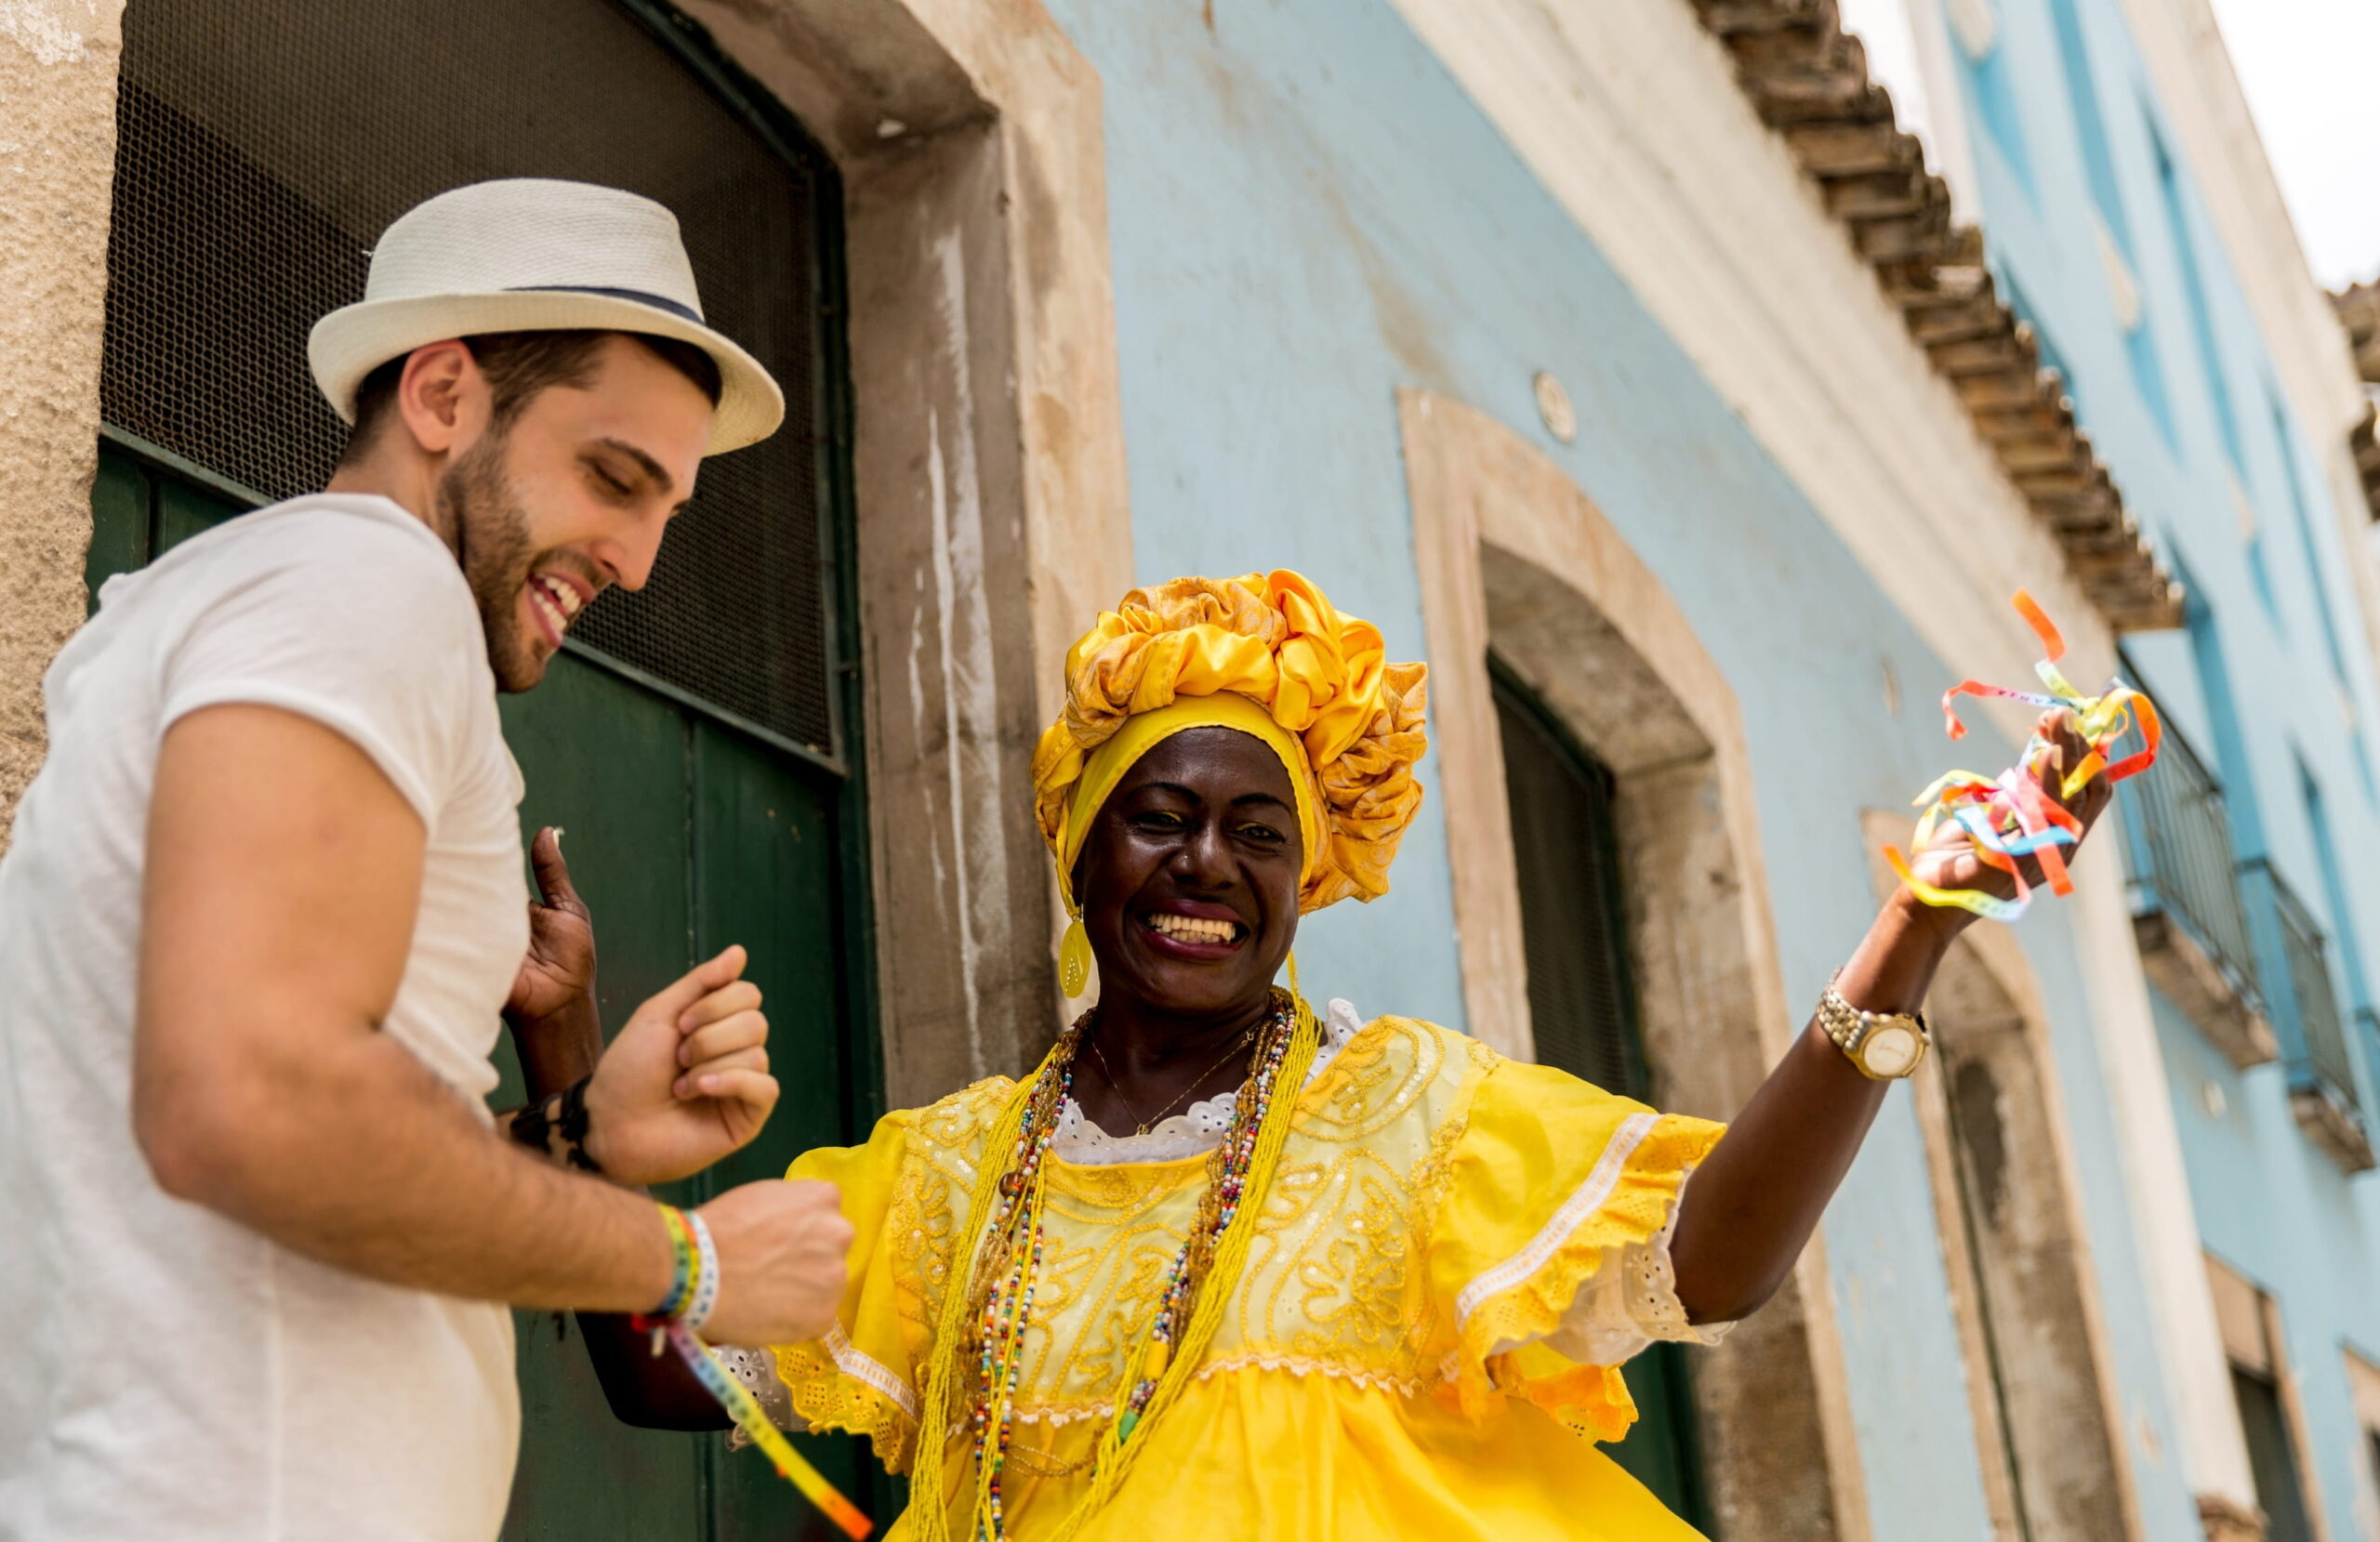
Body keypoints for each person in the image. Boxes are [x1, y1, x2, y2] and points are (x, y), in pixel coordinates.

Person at [588, 569, 2115, 1538]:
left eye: (1260, 836)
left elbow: (1712, 1263)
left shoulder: (1414, 1113)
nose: (1206, 864)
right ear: (1082, 849)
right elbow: (665, 1385)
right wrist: (575, 1104)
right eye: (1159, 815)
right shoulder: (947, 1173)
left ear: (1303, 887)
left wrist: (1910, 935)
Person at [0, 178, 853, 1542]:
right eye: (614, 478)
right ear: (444, 397)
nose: (635, 560)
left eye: (667, 513)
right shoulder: (364, 581)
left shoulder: (226, 606)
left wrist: (575, 1135)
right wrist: (689, 1261)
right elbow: (247, 1104)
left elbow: (277, 1169)